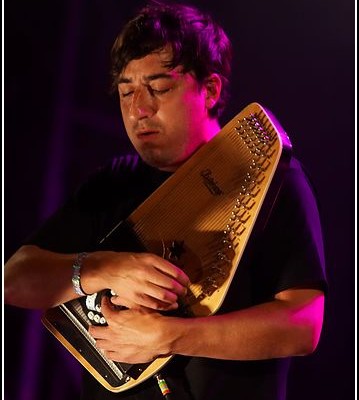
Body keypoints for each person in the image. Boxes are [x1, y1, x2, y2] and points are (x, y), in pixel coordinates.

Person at [4, 1, 327, 399]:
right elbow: (14, 281)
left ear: (210, 89)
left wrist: (172, 336)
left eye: (158, 88)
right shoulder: (113, 183)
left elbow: (303, 325)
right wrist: (105, 269)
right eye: (126, 93)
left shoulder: (269, 177)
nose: (139, 109)